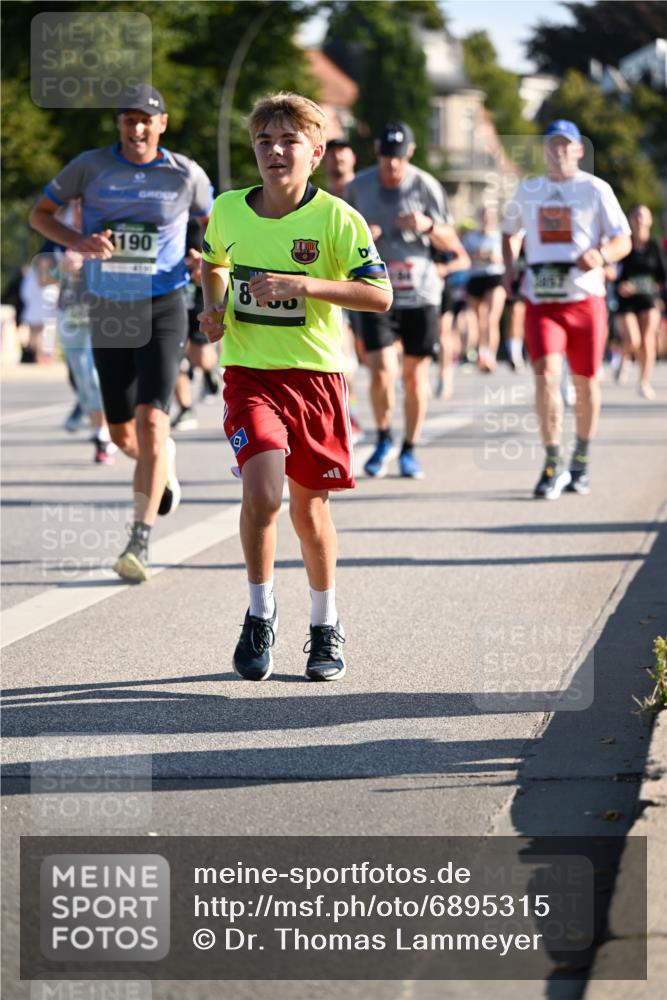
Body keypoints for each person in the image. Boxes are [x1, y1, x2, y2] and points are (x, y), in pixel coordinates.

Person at [198, 92, 392, 682]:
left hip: (316, 379)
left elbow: (379, 295)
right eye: (265, 141)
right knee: (263, 495)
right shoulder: (228, 209)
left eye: (289, 141)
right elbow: (213, 262)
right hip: (250, 374)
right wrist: (213, 308)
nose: (275, 151)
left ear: (316, 152)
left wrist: (303, 286)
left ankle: (325, 623)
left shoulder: (337, 218)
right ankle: (259, 614)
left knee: (309, 511)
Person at [29, 84, 214, 579]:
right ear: (119, 124)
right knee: (122, 434)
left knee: (152, 421)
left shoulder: (185, 173)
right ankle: (162, 460)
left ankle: (139, 540)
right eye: (128, 120)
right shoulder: (89, 167)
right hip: (109, 306)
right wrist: (79, 241)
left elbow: (216, 224)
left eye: (146, 120)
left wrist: (204, 257)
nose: (137, 128)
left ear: (162, 123)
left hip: (164, 304)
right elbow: (39, 215)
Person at [502, 119, 631, 499]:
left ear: (577, 150)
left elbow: (623, 239)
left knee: (586, 383)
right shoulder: (528, 190)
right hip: (542, 302)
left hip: (585, 300)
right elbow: (509, 231)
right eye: (552, 145)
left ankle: (581, 460)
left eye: (565, 145)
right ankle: (552, 462)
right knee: (546, 378)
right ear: (545, 150)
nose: (558, 151)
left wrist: (602, 254)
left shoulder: (595, 189)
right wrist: (510, 268)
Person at [345, 121, 459, 479]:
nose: (392, 164)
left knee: (414, 375)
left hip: (420, 292)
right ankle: (383, 438)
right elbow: (338, 236)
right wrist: (361, 236)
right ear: (376, 153)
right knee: (381, 370)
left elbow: (451, 242)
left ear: (409, 152)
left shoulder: (426, 186)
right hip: (376, 292)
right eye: (385, 156)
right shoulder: (358, 187)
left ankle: (409, 449)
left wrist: (428, 226)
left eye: (398, 157)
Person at [322, 137, 364, 443]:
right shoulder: (316, 198)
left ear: (353, 159)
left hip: (363, 284)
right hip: (330, 286)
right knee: (342, 355)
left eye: (342, 155)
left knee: (366, 358)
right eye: (332, 156)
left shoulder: (364, 192)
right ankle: (347, 414)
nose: (337, 161)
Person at [170, 219, 220, 431]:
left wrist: (204, 263)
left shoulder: (203, 212)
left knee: (200, 355)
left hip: (198, 286)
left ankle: (209, 370)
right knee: (173, 353)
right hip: (167, 288)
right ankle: (185, 408)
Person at [613, 205, 666, 399]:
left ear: (650, 221)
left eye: (644, 216)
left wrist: (656, 292)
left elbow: (662, 275)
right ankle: (624, 358)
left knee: (648, 339)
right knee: (633, 339)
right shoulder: (624, 244)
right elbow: (614, 273)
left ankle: (644, 382)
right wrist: (621, 285)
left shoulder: (654, 246)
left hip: (648, 298)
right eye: (636, 216)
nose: (640, 220)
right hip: (626, 300)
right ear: (630, 220)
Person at [462, 205, 506, 372]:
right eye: (485, 215)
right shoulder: (470, 237)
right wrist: (477, 255)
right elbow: (463, 256)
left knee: (491, 317)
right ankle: (480, 353)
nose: (487, 219)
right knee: (476, 319)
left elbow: (506, 257)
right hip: (476, 277)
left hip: (494, 276)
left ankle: (490, 355)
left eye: (490, 215)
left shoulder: (500, 236)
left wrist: (490, 256)